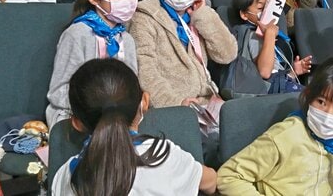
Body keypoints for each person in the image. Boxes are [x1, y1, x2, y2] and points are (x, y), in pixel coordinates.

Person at [50, 58, 217, 196]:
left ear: (76, 123)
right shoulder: (164, 156)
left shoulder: (65, 177)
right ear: (144, 102)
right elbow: (211, 182)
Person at [217, 58, 333, 196]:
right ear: (308, 95)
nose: (328, 115)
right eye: (321, 102)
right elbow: (228, 176)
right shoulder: (286, 136)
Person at [128, 0, 236, 109]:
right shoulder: (145, 16)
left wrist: (204, 16)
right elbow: (145, 70)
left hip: (205, 100)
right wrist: (176, 103)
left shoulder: (200, 13)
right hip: (170, 105)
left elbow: (227, 54)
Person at [46, 0, 137, 126]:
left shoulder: (127, 39)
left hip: (118, 118)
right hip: (78, 116)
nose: (128, 1)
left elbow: (131, 85)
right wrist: (95, 107)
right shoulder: (77, 35)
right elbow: (58, 92)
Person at [229, 0, 312, 94]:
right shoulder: (253, 35)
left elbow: (275, 72)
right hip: (267, 91)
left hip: (280, 84)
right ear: (244, 14)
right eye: (260, 8)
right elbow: (265, 73)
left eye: (267, 8)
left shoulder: (268, 34)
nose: (265, 12)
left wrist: (293, 72)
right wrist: (270, 35)